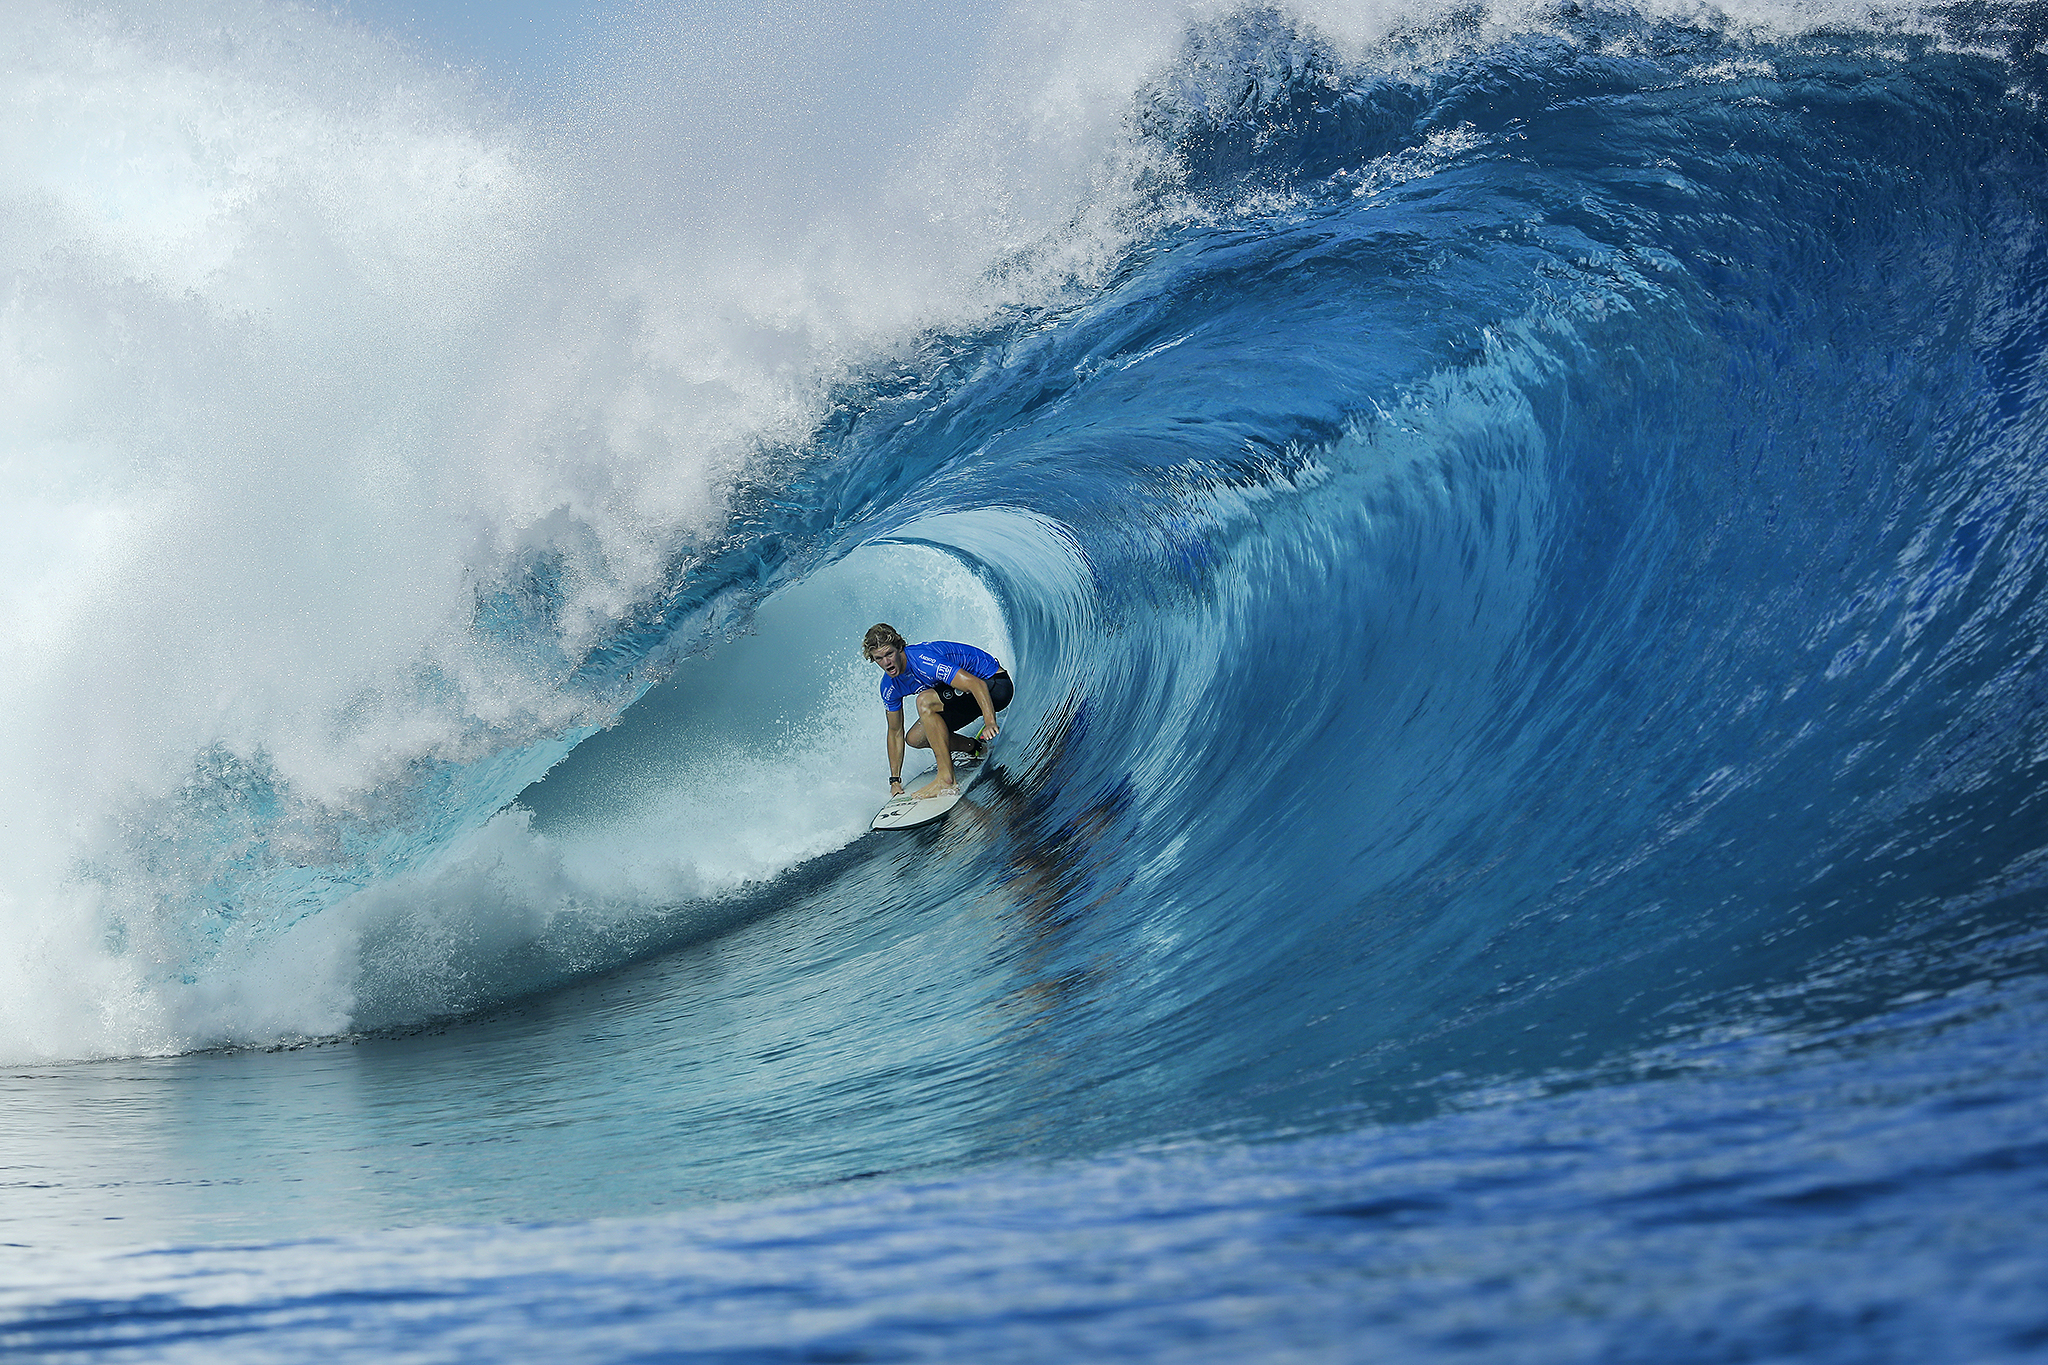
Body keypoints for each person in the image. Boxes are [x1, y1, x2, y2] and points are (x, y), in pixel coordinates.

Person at [863, 623, 1013, 800]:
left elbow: (976, 684)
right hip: (968, 697)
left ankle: (946, 779)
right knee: (915, 738)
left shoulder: (923, 660)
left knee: (924, 701)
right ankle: (976, 748)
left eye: (889, 654)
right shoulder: (889, 686)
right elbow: (895, 732)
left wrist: (989, 722)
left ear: (900, 648)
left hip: (994, 686)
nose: (886, 662)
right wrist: (895, 780)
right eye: (879, 658)